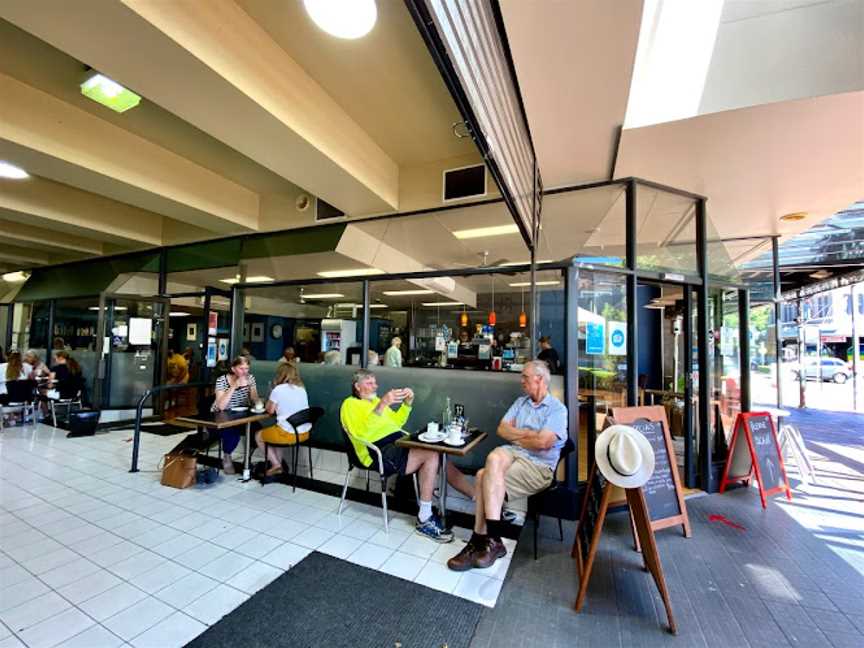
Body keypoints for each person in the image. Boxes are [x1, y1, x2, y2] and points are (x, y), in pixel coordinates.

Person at [447, 360, 568, 571]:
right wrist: (529, 435)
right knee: (494, 458)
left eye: (525, 377)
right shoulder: (521, 403)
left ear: (539, 379)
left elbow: (543, 443)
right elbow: (502, 430)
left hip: (538, 467)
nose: (521, 381)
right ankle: (493, 539)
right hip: (515, 453)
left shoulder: (557, 410)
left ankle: (479, 540)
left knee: (483, 477)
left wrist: (519, 437)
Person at [340, 369, 451, 542]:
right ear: (357, 386)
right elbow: (362, 434)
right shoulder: (349, 405)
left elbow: (397, 423)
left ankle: (432, 508)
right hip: (376, 451)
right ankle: (424, 518)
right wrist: (382, 405)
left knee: (437, 451)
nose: (375, 386)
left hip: (396, 443)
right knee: (431, 454)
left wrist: (407, 404)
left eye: (375, 382)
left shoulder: (374, 400)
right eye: (369, 383)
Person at [255, 363, 309, 477]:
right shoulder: (302, 389)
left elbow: (270, 411)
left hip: (288, 434)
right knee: (275, 431)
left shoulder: (278, 389)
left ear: (280, 375)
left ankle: (276, 465)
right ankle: (278, 466)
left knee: (258, 436)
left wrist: (270, 396)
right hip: (304, 434)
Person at [212, 356, 260, 474]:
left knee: (258, 431)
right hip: (220, 416)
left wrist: (258, 401)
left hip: (240, 414)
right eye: (241, 368)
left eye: (247, 368)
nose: (245, 372)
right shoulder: (222, 380)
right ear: (233, 369)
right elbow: (221, 406)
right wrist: (234, 386)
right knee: (233, 434)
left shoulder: (250, 378)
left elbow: (254, 397)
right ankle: (227, 457)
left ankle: (247, 458)